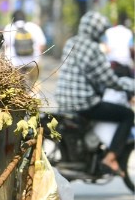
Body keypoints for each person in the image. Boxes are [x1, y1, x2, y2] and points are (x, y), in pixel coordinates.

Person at [55, 11, 135, 176]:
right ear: (97, 31)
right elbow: (108, 79)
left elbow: (89, 74)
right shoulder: (92, 48)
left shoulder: (71, 42)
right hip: (83, 103)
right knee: (126, 115)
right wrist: (127, 86)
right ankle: (110, 158)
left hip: (63, 101)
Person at [3, 9, 47, 89]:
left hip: (15, 63)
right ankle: (34, 98)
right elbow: (42, 44)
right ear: (25, 18)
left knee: (16, 88)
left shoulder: (9, 27)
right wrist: (38, 58)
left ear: (13, 18)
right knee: (34, 87)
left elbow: (5, 46)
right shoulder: (34, 27)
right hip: (33, 62)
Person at [103, 12, 134, 77]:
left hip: (111, 65)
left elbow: (105, 49)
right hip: (125, 65)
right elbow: (131, 49)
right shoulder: (128, 32)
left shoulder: (108, 32)